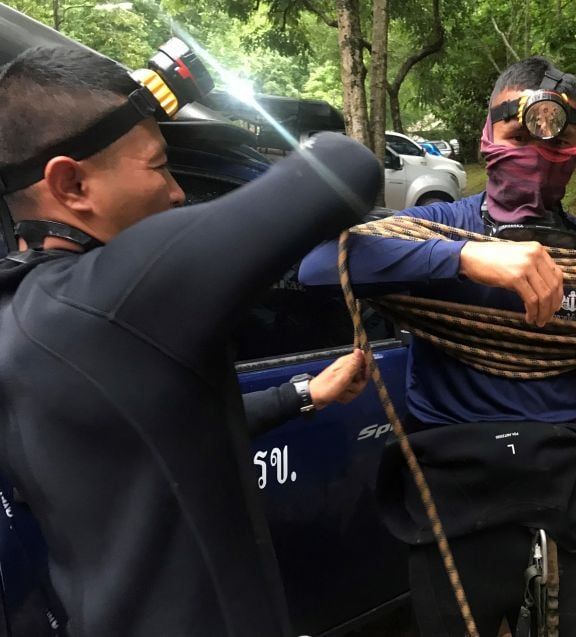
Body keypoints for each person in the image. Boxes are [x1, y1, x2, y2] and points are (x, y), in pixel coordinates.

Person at [299, 55, 576, 636]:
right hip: (452, 495)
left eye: (557, 144)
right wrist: (464, 258)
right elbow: (317, 265)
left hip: (559, 488)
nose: (537, 157)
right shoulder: (437, 230)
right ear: (487, 138)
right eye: (518, 136)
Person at [0, 46, 380, 637]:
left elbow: (157, 434)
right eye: (158, 165)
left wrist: (302, 394)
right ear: (71, 184)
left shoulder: (23, 310)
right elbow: (345, 165)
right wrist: (187, 106)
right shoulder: (111, 296)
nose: (177, 192)